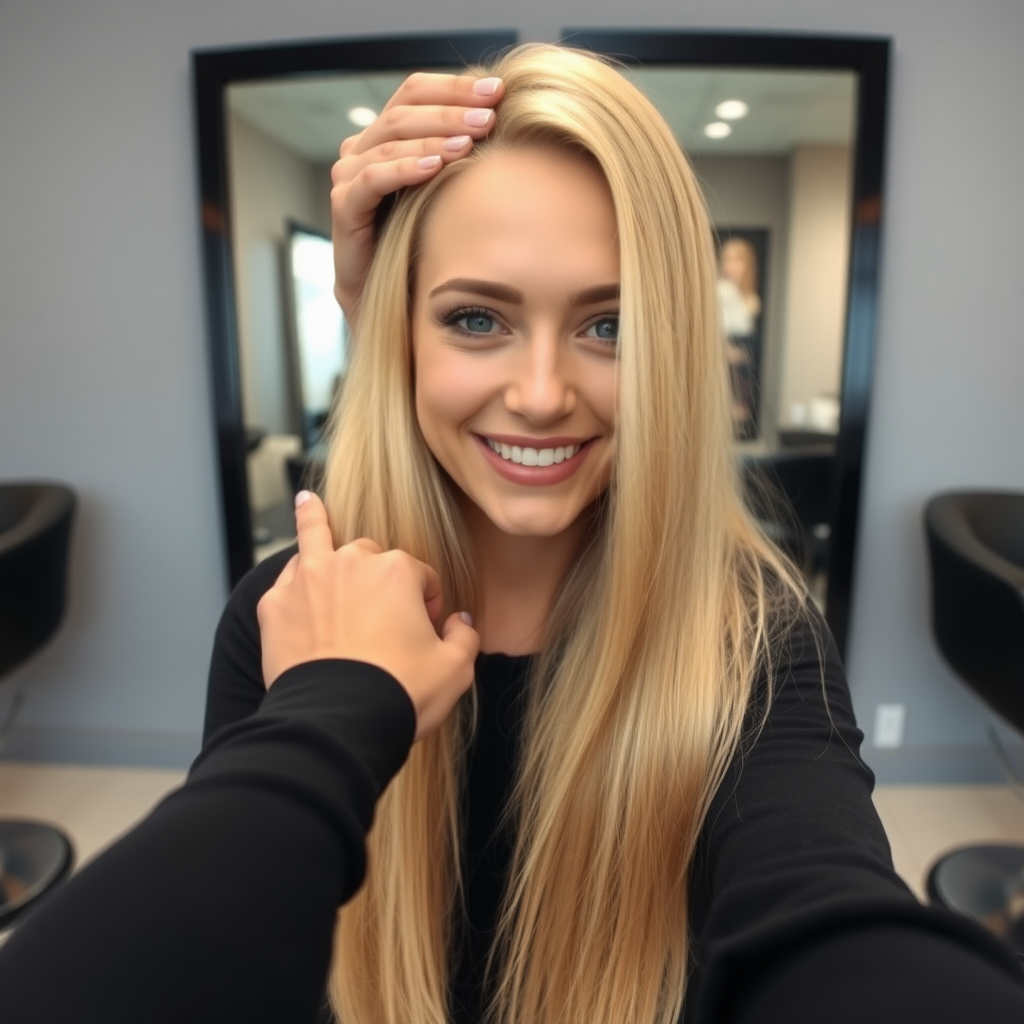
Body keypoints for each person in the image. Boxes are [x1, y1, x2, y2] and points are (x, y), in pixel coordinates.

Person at [1, 42, 1023, 1024]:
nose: (540, 397)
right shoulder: (291, 616)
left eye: (608, 325)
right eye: (476, 320)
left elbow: (826, 917)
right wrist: (332, 709)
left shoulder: (754, 639)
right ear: (392, 330)